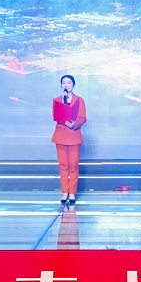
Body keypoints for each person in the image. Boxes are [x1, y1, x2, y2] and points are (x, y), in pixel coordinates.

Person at [51, 75, 87, 204]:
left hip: (74, 135)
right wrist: (63, 102)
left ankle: (72, 192)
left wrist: (75, 124)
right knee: (63, 165)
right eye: (64, 83)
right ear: (61, 85)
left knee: (73, 166)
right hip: (60, 135)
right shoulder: (57, 100)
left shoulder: (79, 100)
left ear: (73, 85)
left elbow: (83, 117)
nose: (66, 85)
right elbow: (55, 115)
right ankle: (65, 192)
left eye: (69, 82)